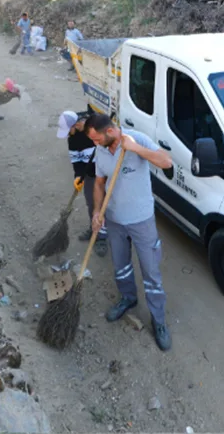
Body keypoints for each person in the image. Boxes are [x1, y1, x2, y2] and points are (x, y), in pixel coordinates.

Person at [85, 113, 174, 351]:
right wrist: (96, 212)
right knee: (121, 264)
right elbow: (100, 184)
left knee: (151, 270)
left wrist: (135, 149)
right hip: (114, 219)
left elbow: (167, 162)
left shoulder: (138, 139)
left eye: (96, 139)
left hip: (142, 220)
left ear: (111, 132)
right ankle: (128, 298)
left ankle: (159, 320)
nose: (94, 144)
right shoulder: (101, 152)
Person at [55, 110, 107, 244]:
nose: (67, 134)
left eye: (68, 130)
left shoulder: (94, 130)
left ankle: (102, 236)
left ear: (76, 125)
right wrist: (78, 175)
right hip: (88, 176)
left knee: (105, 204)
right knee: (92, 204)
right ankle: (94, 228)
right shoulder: (72, 140)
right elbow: (76, 160)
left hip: (105, 174)